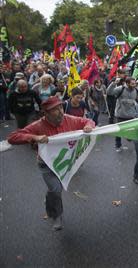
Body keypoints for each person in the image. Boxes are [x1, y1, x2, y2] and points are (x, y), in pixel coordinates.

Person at [7, 96, 95, 230]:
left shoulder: (69, 119)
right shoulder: (38, 125)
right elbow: (12, 137)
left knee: (53, 191)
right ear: (46, 113)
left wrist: (89, 126)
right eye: (55, 110)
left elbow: (88, 121)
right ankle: (57, 216)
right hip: (47, 165)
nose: (60, 111)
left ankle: (50, 200)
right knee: (56, 189)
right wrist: (34, 137)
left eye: (60, 107)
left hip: (65, 163)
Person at [107, 76, 138, 152]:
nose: (134, 85)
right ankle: (118, 145)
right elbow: (109, 92)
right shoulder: (120, 89)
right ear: (127, 83)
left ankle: (128, 136)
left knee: (131, 130)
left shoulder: (136, 90)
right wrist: (113, 83)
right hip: (120, 115)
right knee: (119, 131)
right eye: (132, 84)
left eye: (135, 83)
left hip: (131, 115)